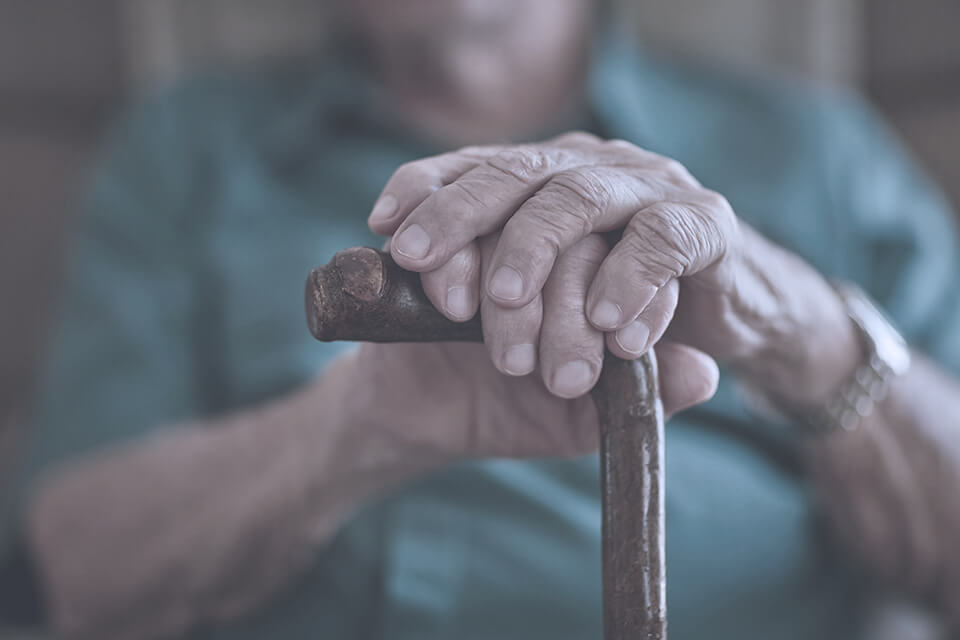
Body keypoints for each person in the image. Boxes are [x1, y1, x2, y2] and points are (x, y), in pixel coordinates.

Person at [2, 0, 960, 638]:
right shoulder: (187, 147)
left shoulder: (817, 147)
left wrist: (805, 333)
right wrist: (351, 432)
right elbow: (79, 569)